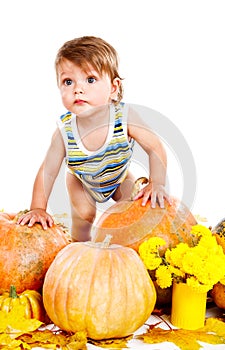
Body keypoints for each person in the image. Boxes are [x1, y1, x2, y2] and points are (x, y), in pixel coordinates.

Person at [17, 36, 169, 241]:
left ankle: (123, 249)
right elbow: (48, 171)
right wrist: (38, 207)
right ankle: (80, 249)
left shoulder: (124, 118)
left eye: (90, 79)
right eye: (68, 81)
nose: (78, 89)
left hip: (118, 177)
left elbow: (155, 147)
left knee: (131, 210)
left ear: (113, 88)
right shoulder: (65, 131)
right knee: (84, 215)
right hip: (81, 180)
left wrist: (156, 183)